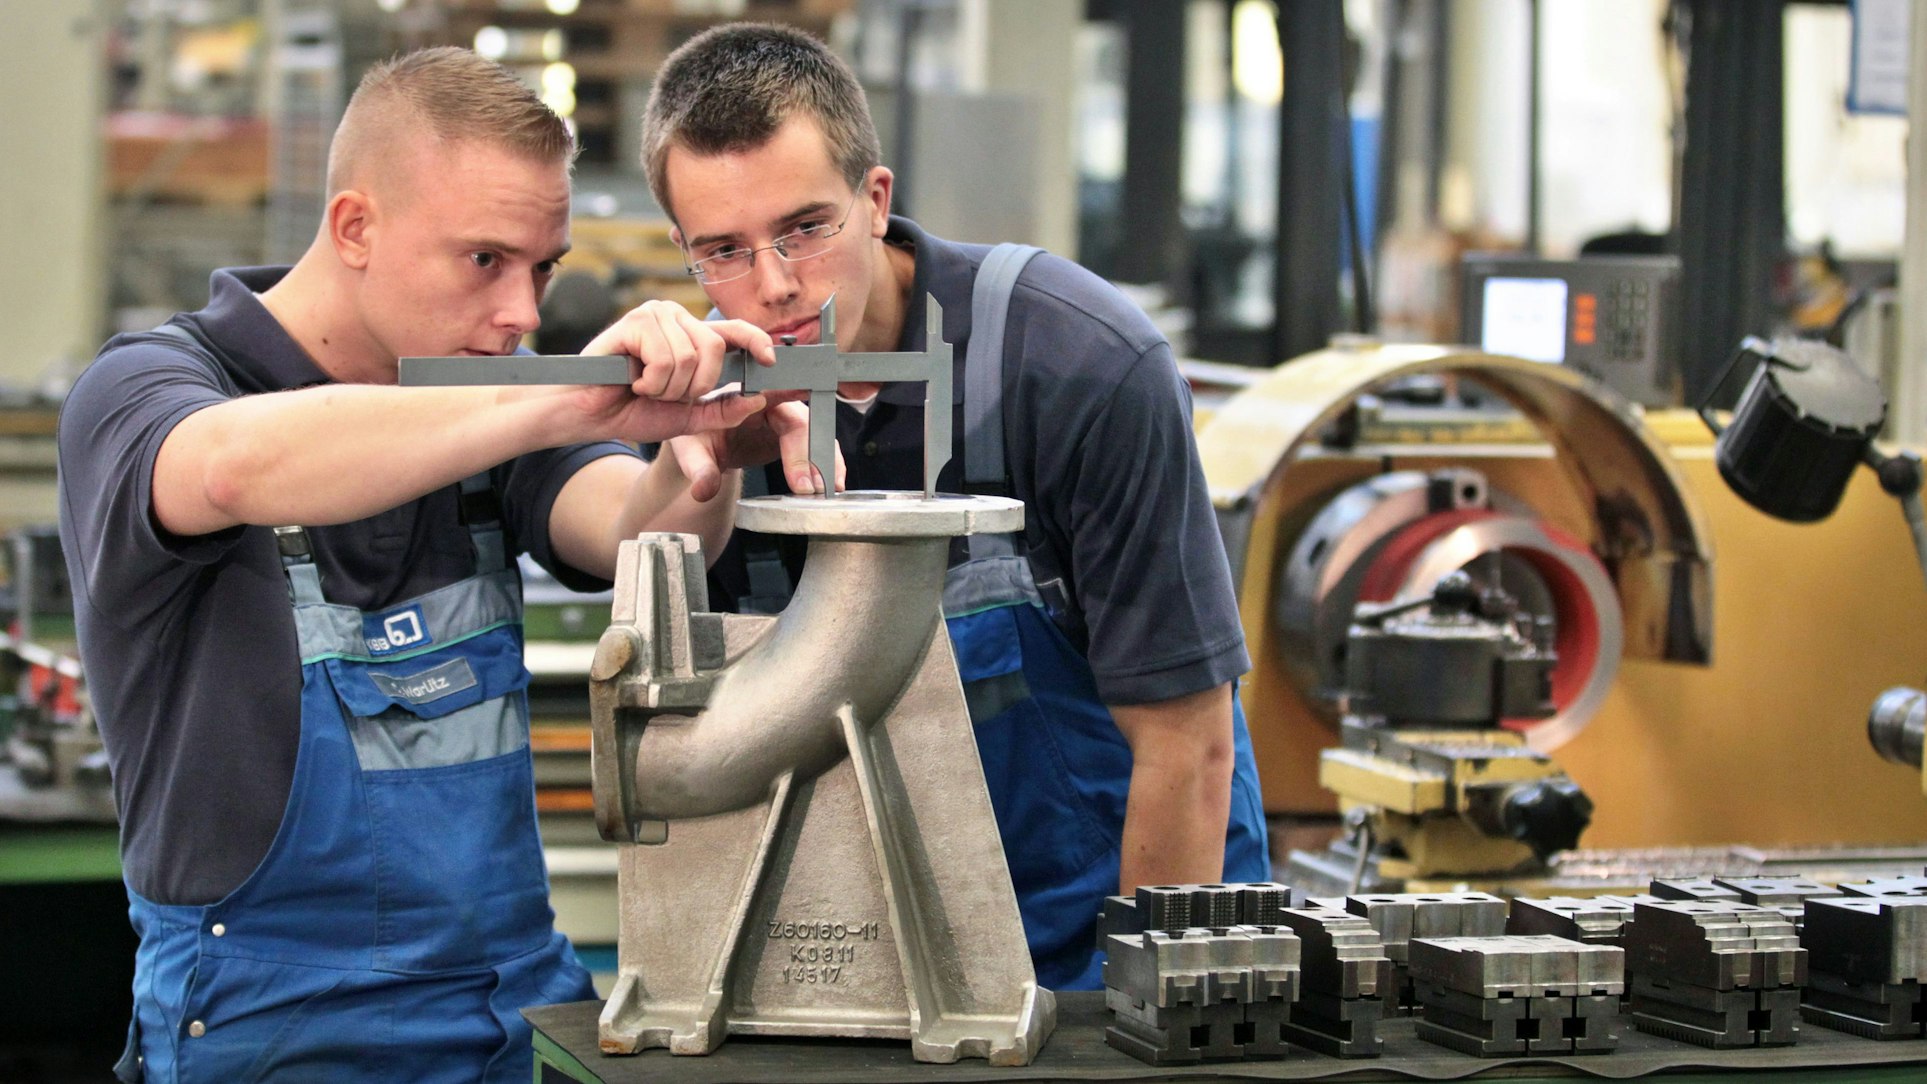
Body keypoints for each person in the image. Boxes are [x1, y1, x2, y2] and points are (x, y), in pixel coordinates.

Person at [58, 47, 821, 1083]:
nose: (518, 313)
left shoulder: (486, 388)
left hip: (510, 1013)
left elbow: (643, 540)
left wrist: (707, 447)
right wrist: (566, 394)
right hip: (275, 1032)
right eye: (483, 261)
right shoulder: (151, 384)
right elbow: (231, 470)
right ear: (356, 228)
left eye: (542, 269)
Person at [641, 23, 1272, 991]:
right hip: (868, 960)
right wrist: (707, 467)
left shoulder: (1076, 364)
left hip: (1112, 943)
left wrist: (1135, 1024)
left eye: (806, 227)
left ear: (875, 199)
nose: (773, 285)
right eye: (722, 250)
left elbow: (1185, 740)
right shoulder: (713, 409)